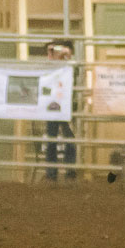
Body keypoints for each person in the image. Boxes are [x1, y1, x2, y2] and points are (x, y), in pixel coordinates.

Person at [43, 40, 77, 181]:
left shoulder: (72, 65)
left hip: (68, 107)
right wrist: (52, 56)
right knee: (52, 138)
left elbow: (74, 72)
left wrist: (66, 56)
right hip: (53, 106)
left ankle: (70, 171)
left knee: (69, 138)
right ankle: (52, 173)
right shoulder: (50, 64)